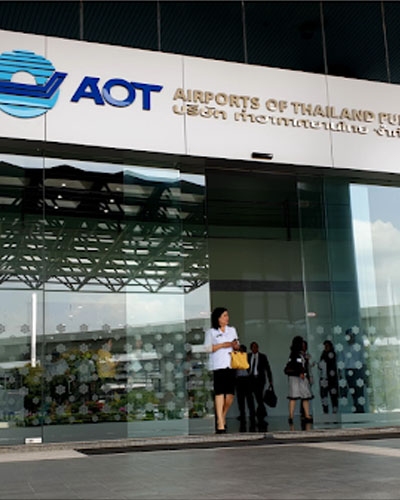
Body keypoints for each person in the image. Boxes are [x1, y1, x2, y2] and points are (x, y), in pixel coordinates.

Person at [204, 307, 239, 433]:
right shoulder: (211, 332)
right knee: (219, 393)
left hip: (231, 364)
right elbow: (207, 348)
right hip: (218, 365)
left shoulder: (232, 330)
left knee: (230, 395)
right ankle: (220, 422)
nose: (227, 318)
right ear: (218, 318)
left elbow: (237, 345)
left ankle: (222, 416)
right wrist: (223, 345)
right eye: (224, 315)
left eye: (227, 315)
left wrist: (235, 345)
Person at [285, 336, 313, 424]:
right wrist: (300, 372)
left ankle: (305, 415)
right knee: (296, 396)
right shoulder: (294, 354)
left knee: (304, 396)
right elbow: (296, 365)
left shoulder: (301, 354)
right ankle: (291, 416)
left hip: (301, 377)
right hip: (296, 377)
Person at [248, 341, 273, 424]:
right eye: (253, 347)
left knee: (259, 397)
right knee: (250, 398)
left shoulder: (262, 357)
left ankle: (261, 415)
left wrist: (270, 380)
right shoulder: (248, 356)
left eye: (256, 347)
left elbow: (267, 368)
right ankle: (253, 415)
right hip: (250, 379)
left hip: (259, 379)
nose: (255, 348)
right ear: (251, 348)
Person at [235, 345, 256, 432]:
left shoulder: (249, 358)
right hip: (239, 380)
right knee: (240, 399)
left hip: (247, 379)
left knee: (249, 399)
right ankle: (242, 415)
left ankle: (252, 415)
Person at [319, 340, 339, 414]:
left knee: (333, 396)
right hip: (324, 378)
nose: (326, 347)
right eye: (325, 346)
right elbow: (320, 366)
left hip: (331, 379)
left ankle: (334, 411)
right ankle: (326, 411)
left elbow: (333, 367)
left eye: (327, 346)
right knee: (324, 396)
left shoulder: (332, 355)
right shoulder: (323, 355)